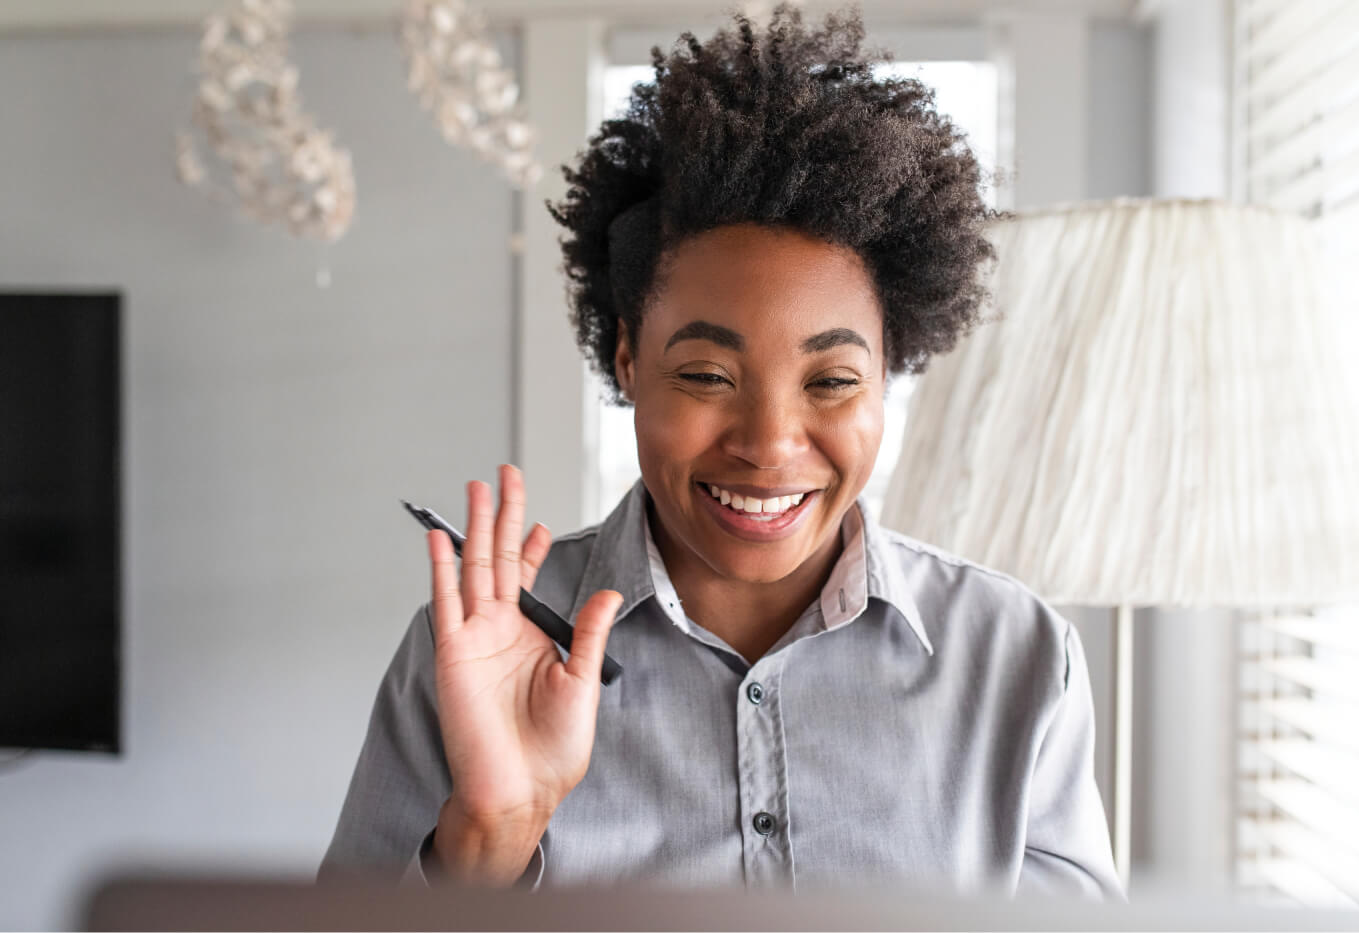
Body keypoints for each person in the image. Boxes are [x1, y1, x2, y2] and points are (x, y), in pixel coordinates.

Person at [319, 4, 1119, 898]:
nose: (770, 444)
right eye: (706, 374)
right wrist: (489, 837)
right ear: (628, 358)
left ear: (890, 373)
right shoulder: (475, 647)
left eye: (832, 381)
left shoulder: (1015, 654)